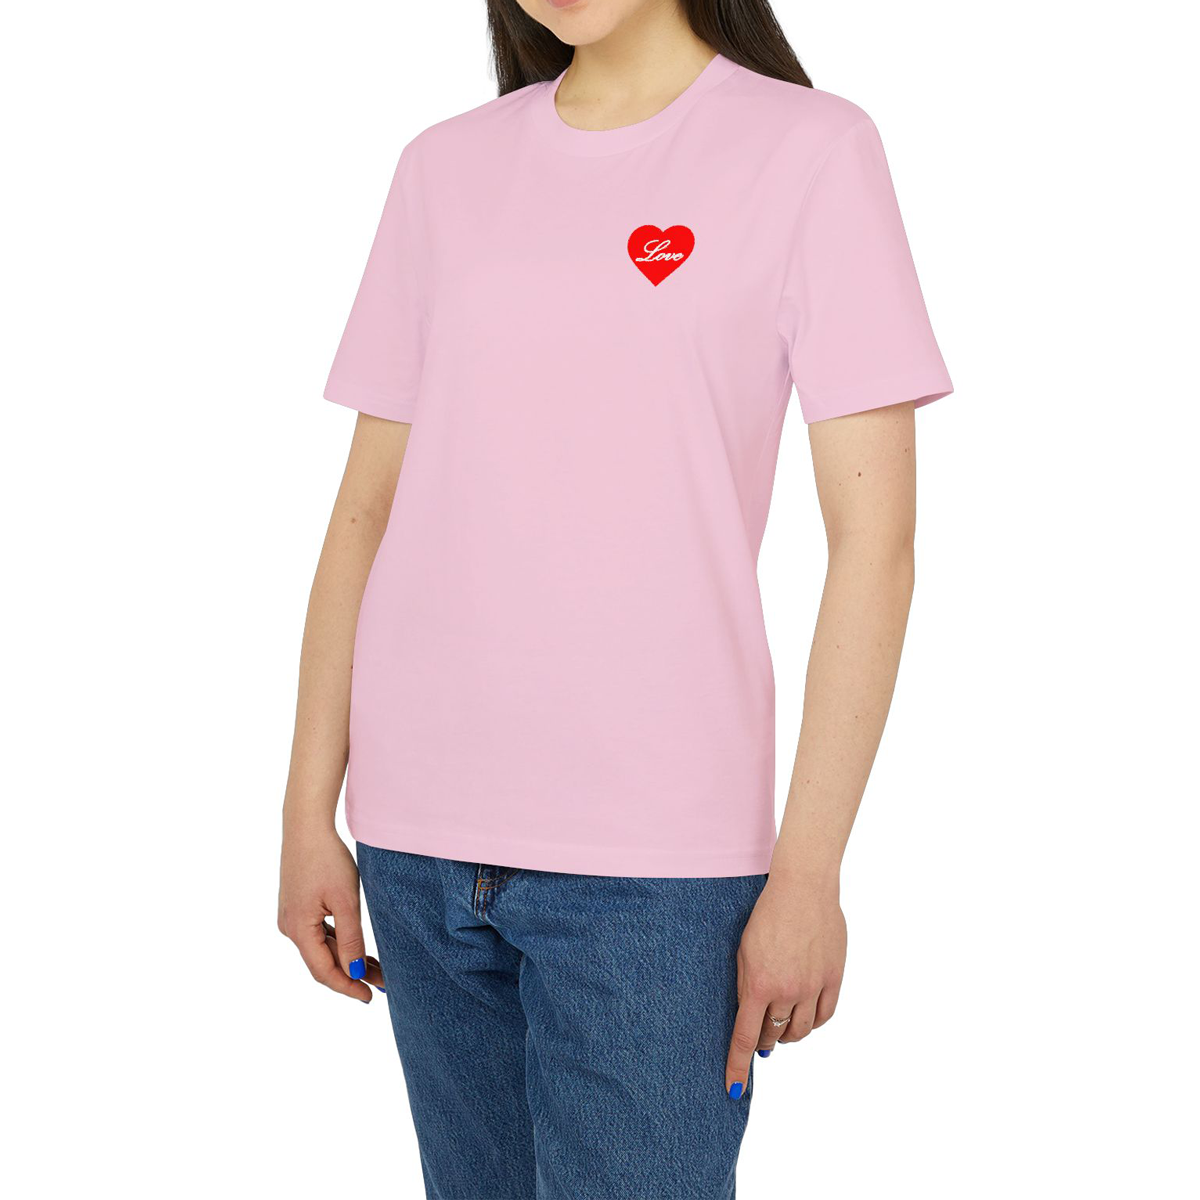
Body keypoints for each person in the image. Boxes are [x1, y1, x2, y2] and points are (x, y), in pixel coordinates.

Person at [278, 1, 952, 1195]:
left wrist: (808, 873)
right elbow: (363, 517)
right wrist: (304, 814)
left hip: (659, 867)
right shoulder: (444, 169)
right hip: (416, 841)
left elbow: (874, 549)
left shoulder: (812, 151)